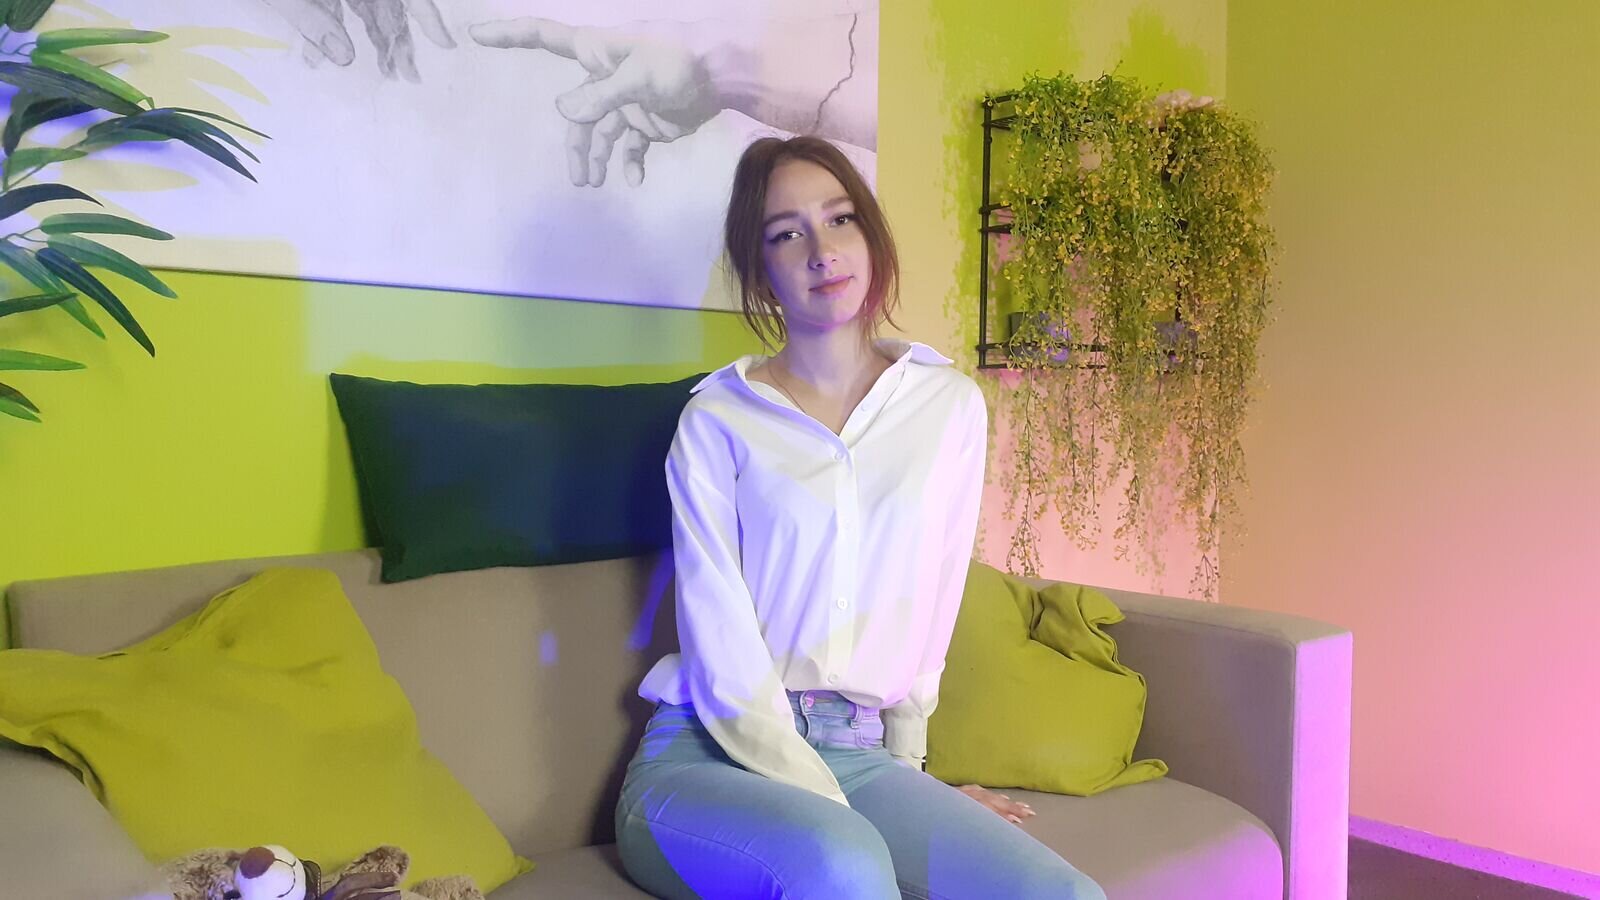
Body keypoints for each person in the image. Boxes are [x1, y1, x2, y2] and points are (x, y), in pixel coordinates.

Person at [612, 135, 1106, 899]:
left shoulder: (948, 407)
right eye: (786, 234)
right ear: (760, 269)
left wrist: (913, 785)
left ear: (870, 235)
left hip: (859, 751)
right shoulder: (717, 421)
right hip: (706, 757)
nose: (821, 251)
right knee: (845, 863)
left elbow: (932, 601)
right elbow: (720, 645)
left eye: (840, 218)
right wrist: (852, 814)